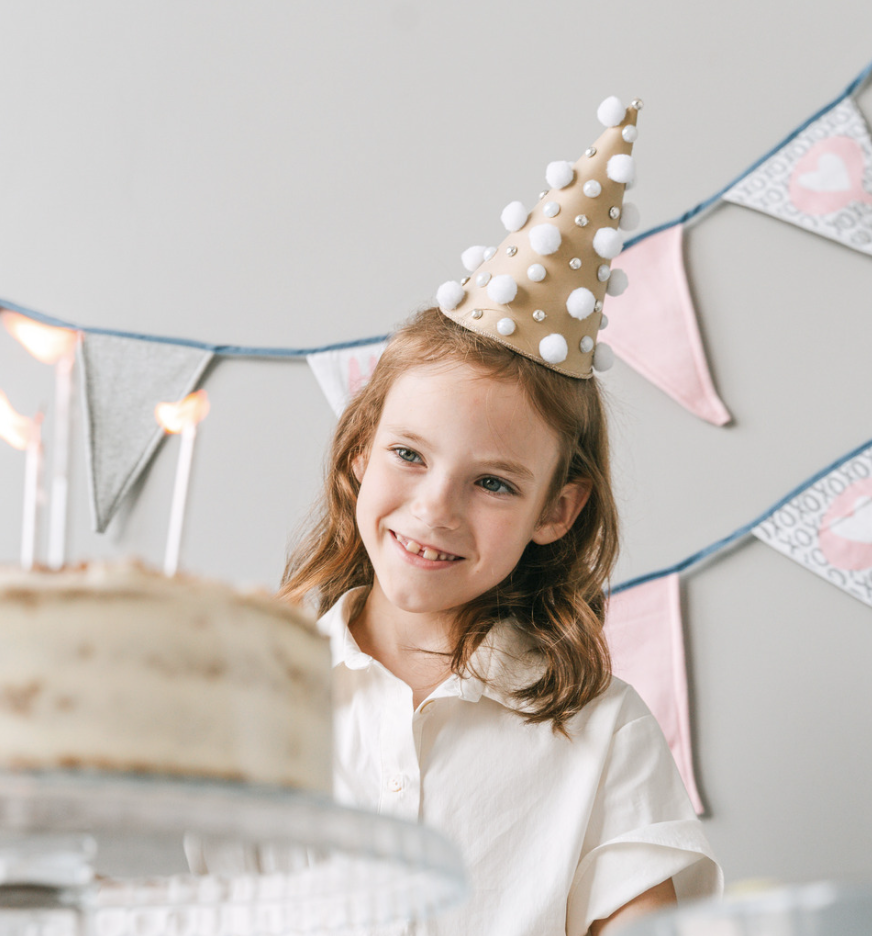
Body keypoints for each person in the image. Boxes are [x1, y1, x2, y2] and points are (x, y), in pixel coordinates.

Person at [280, 97, 722, 936]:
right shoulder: (250, 700)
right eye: (409, 455)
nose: (434, 509)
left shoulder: (603, 736)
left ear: (557, 510)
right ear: (357, 454)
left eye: (493, 485)